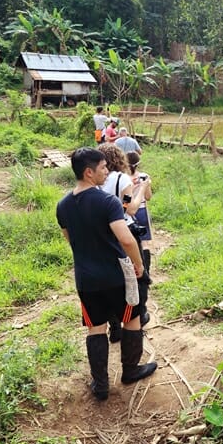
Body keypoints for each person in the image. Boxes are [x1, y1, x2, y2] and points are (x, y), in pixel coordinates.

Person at [56, 147, 157, 401]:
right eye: (102, 168)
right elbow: (126, 239)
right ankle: (130, 370)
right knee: (132, 318)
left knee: (95, 328)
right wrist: (139, 266)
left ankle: (100, 384)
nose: (106, 171)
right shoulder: (107, 201)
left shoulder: (63, 205)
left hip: (86, 278)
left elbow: (71, 240)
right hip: (115, 275)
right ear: (89, 172)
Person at [98, 144, 152, 341]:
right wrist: (142, 188)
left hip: (104, 234)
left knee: (113, 278)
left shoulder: (96, 182)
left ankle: (115, 326)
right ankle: (139, 315)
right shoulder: (122, 179)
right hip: (125, 230)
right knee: (139, 274)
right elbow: (129, 208)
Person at [127, 151, 153, 274]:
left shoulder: (123, 178)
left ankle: (134, 269)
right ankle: (146, 271)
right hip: (141, 210)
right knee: (144, 242)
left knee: (130, 242)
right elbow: (148, 197)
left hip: (127, 212)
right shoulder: (144, 177)